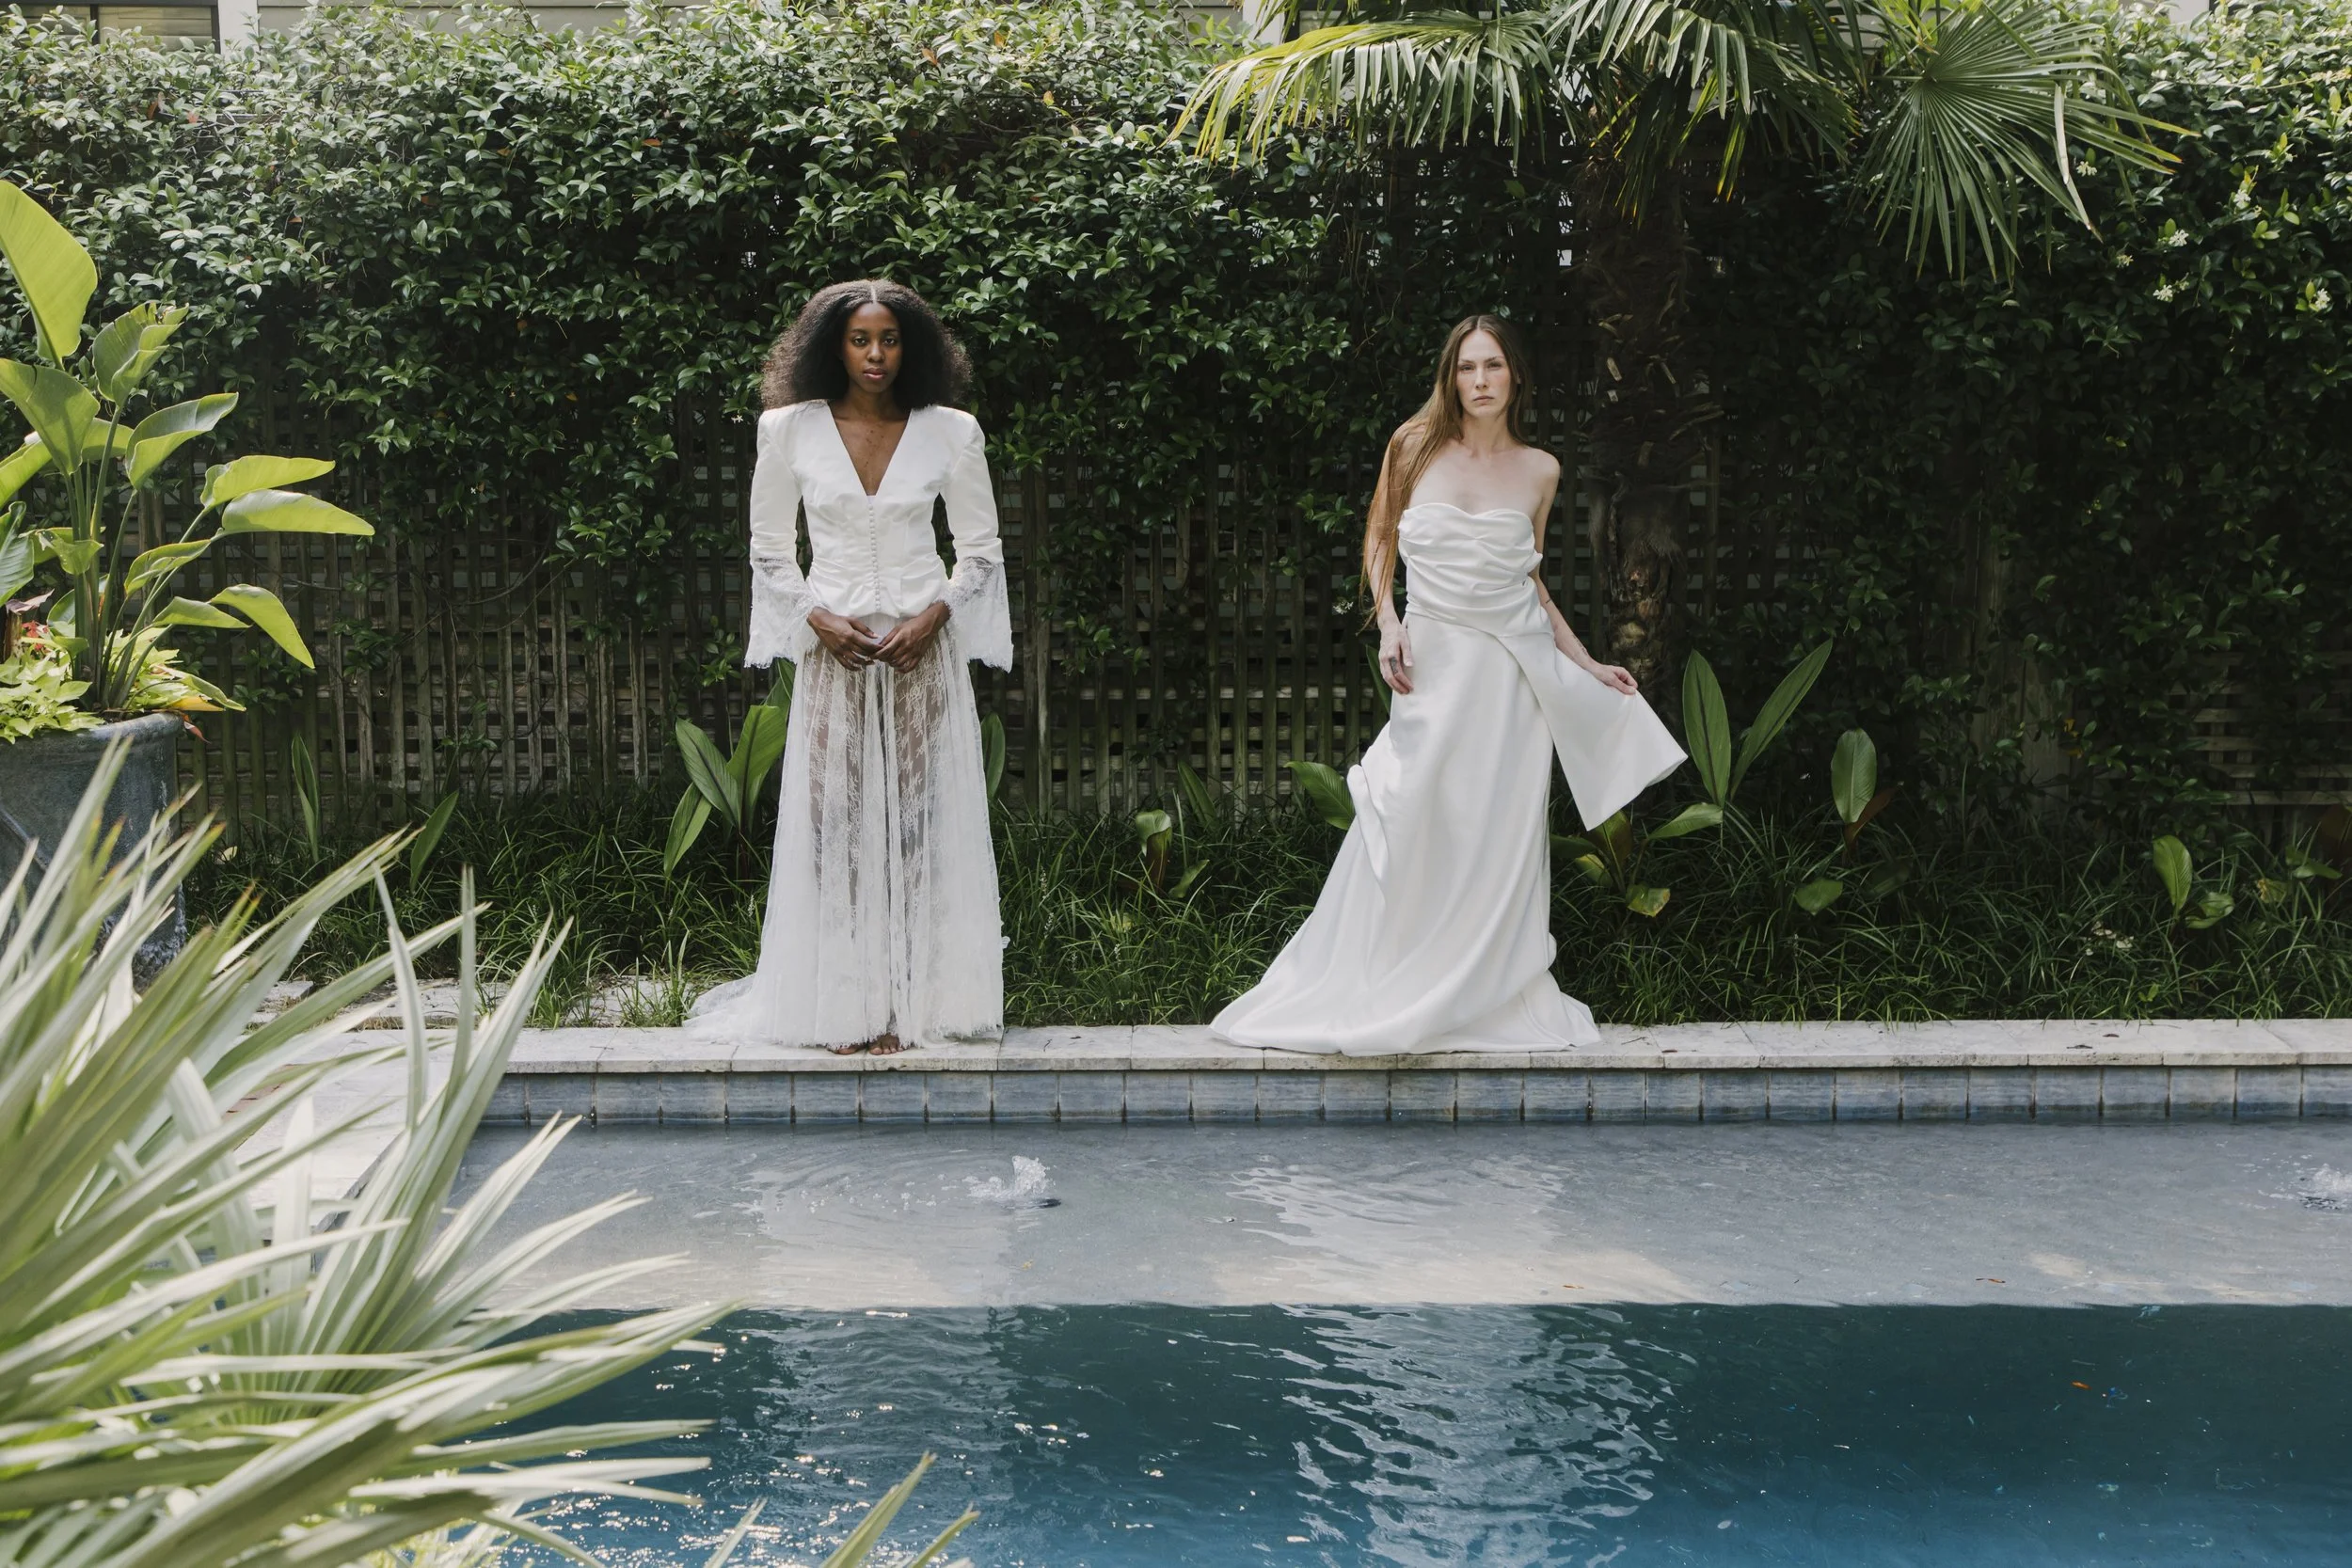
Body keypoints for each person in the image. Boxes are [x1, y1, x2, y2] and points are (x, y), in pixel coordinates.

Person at [1212, 314, 1684, 1055]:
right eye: (1467, 368)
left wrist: (1588, 663)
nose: (1480, 381)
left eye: (1493, 366)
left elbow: (1530, 583)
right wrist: (1388, 622)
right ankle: (1388, 981)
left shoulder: (1541, 470)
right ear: (1450, 377)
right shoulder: (1412, 445)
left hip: (1508, 684)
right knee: (1410, 813)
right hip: (1432, 669)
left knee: (1495, 840)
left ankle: (1482, 995)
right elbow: (1379, 537)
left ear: (1515, 375)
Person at [694, 280, 1012, 1054]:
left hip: (920, 657)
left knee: (917, 826)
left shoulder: (951, 432)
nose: (876, 355)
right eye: (860, 339)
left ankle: (913, 1004)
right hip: (834, 654)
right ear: (832, 345)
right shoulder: (788, 430)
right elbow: (770, 550)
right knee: (833, 829)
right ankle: (846, 1007)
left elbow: (980, 551)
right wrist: (817, 619)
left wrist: (933, 618)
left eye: (890, 339)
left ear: (912, 348)